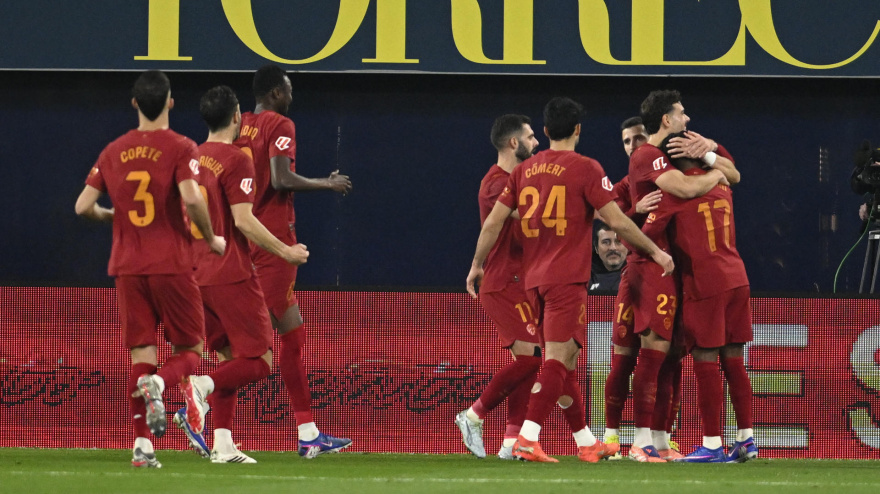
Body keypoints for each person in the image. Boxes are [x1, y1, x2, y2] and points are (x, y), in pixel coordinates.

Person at [466, 97, 674, 463]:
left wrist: (476, 264)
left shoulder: (522, 172)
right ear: (578, 129)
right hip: (566, 279)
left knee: (567, 365)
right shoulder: (585, 168)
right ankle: (527, 438)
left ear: (545, 132)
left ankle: (585, 441)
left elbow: (493, 222)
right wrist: (655, 252)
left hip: (532, 281)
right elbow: (618, 221)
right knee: (557, 362)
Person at [74, 70, 226, 468]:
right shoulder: (180, 147)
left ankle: (142, 447)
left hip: (127, 267)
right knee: (191, 350)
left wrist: (113, 216)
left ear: (135, 103)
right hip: (171, 264)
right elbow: (192, 200)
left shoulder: (112, 150)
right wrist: (210, 238)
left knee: (141, 352)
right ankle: (159, 383)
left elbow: (82, 206)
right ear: (171, 102)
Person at [172, 86, 310, 464]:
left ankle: (223, 444)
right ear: (236, 117)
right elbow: (244, 220)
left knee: (232, 359)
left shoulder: (189, 157)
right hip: (229, 272)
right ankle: (200, 386)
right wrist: (286, 251)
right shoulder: (236, 160)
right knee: (260, 359)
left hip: (192, 274)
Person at [233, 65, 352, 457]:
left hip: (246, 235)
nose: (291, 94)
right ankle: (193, 396)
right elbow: (281, 178)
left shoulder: (241, 125)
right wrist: (326, 183)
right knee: (253, 350)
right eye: (288, 88)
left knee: (292, 336)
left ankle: (308, 433)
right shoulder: (280, 123)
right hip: (274, 243)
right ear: (275, 92)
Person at [624, 89, 737, 462]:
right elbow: (687, 188)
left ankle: (659, 440)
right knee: (651, 354)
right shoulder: (646, 155)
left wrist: (714, 157)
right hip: (650, 263)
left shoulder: (664, 155)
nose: (687, 119)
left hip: (671, 264)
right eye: (682, 113)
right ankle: (637, 440)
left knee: (671, 355)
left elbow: (731, 175)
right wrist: (717, 174)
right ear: (667, 120)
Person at [645, 135, 755, 463]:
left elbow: (645, 236)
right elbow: (729, 168)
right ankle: (746, 438)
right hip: (737, 277)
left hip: (704, 282)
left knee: (705, 361)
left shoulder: (672, 195)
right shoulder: (722, 185)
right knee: (734, 360)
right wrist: (712, 149)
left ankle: (711, 443)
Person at [455, 114, 542, 460]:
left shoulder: (518, 180)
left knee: (529, 361)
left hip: (521, 282)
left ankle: (510, 443)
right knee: (534, 358)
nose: (537, 143)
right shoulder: (496, 183)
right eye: (531, 137)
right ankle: (472, 415)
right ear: (513, 143)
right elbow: (530, 215)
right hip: (503, 282)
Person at [588, 221, 628, 292]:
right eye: (606, 242)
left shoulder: (640, 276)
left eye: (619, 241)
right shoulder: (584, 277)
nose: (613, 248)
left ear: (628, 246)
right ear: (596, 248)